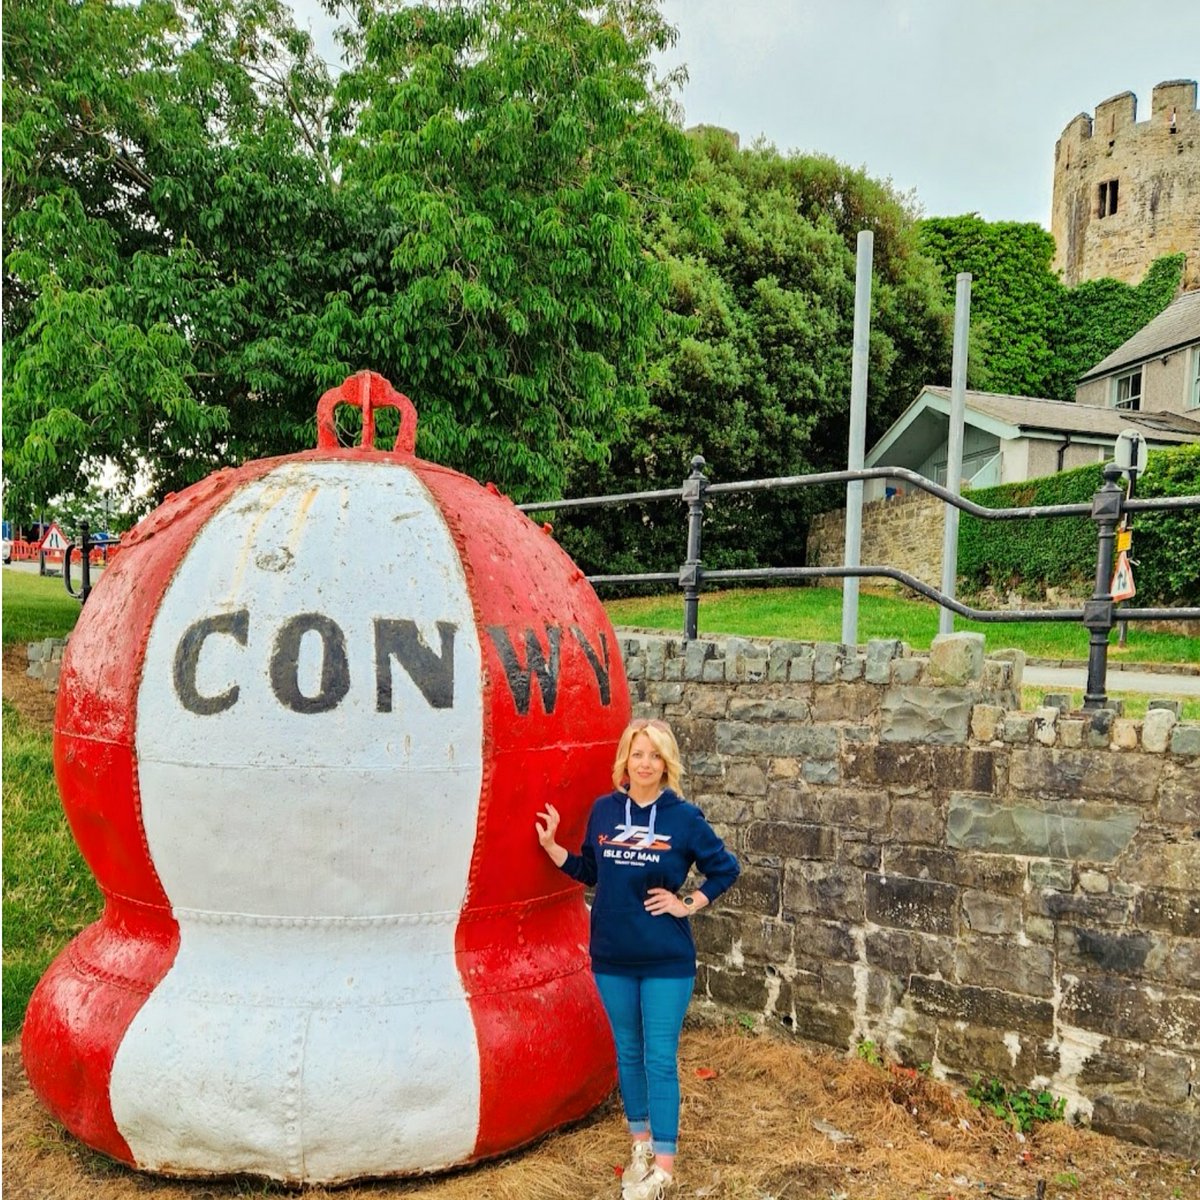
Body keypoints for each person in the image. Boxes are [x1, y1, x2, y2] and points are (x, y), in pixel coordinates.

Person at [535, 718, 740, 1200]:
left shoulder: (684, 818)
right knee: (627, 1052)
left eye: (654, 755)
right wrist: (551, 847)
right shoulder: (605, 811)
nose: (644, 763)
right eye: (636, 753)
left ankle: (663, 1171)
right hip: (612, 956)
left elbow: (724, 869)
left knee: (659, 1057)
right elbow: (590, 869)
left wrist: (687, 903)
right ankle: (641, 1147)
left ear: (666, 763)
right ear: (625, 759)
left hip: (667, 960)